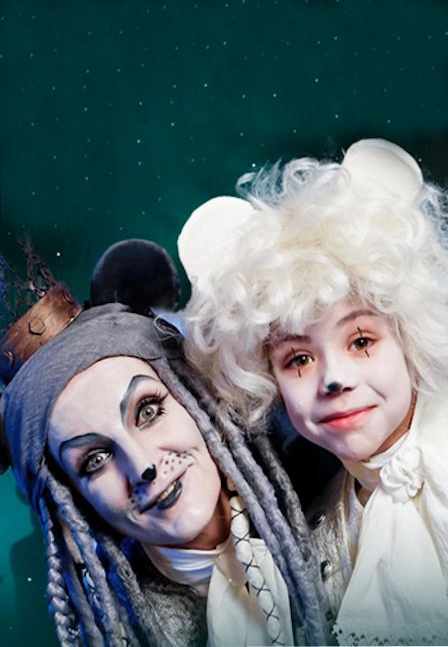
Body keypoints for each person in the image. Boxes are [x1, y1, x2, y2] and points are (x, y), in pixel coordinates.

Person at [181, 139, 448, 645]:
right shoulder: (314, 527)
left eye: (361, 341)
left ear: (411, 337)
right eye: (298, 359)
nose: (333, 379)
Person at [0, 240, 332, 647]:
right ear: (78, 501)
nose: (142, 465)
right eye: (96, 459)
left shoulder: (340, 490)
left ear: (197, 401)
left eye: (148, 411)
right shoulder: (134, 634)